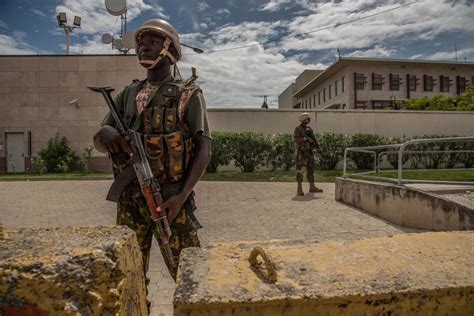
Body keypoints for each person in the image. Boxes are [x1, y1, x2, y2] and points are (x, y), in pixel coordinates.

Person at [93, 19, 211, 281]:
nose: (143, 47)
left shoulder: (187, 94)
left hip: (170, 199)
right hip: (129, 201)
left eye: (152, 42)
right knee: (127, 276)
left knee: (191, 277)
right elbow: (100, 139)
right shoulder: (128, 93)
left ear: (169, 48)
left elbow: (204, 148)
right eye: (140, 43)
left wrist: (181, 197)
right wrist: (105, 132)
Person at [293, 113, 323, 196]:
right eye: (308, 118)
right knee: (301, 170)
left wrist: (317, 147)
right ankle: (299, 188)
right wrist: (306, 138)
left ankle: (312, 187)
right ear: (304, 119)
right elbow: (296, 140)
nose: (309, 120)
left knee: (311, 169)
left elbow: (313, 139)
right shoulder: (298, 129)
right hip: (302, 153)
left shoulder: (309, 128)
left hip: (309, 151)